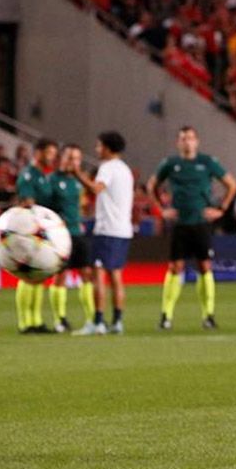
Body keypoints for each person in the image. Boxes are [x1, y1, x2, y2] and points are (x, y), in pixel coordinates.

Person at [148, 126, 236, 330]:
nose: (187, 142)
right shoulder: (170, 164)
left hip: (200, 222)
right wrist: (161, 209)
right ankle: (166, 315)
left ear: (196, 141)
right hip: (180, 223)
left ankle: (208, 315)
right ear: (178, 142)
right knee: (175, 267)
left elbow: (232, 184)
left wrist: (221, 209)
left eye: (190, 138)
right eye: (183, 138)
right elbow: (152, 184)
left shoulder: (207, 162)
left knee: (204, 266)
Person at [72, 131, 134, 335]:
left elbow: (96, 189)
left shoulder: (107, 168)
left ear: (108, 148)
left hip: (107, 229)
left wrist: (77, 173)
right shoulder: (125, 170)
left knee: (98, 274)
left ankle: (98, 322)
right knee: (116, 275)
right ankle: (117, 322)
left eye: (99, 146)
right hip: (124, 229)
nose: (97, 149)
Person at [48, 144, 95, 333]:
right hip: (60, 237)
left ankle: (92, 318)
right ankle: (60, 320)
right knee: (61, 276)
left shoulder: (78, 181)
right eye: (69, 157)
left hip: (78, 232)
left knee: (86, 274)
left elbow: (83, 202)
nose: (73, 162)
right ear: (61, 158)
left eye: (76, 158)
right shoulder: (51, 180)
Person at [14, 138, 59, 334]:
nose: (52, 158)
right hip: (29, 231)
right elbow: (27, 203)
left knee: (39, 275)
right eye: (50, 153)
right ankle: (25, 322)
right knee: (27, 275)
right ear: (39, 153)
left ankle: (37, 320)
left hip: (42, 232)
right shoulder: (28, 176)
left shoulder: (42, 176)